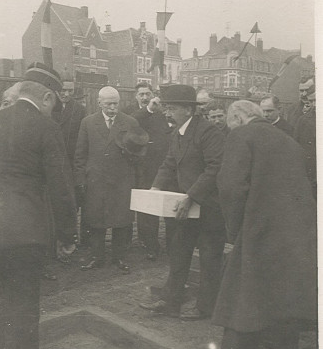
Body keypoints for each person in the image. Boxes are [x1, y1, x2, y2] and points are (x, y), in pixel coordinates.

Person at [186, 100, 317, 349]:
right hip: (299, 236)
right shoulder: (288, 140)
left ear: (238, 118)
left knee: (240, 309)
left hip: (259, 235)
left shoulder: (241, 136)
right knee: (283, 307)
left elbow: (231, 187)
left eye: (229, 122)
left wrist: (235, 234)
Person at [0, 62, 78, 349]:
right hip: (25, 234)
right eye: (55, 101)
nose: (55, 107)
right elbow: (61, 187)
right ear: (45, 95)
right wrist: (68, 235)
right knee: (23, 310)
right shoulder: (45, 126)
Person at [139, 85, 226, 320]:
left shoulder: (208, 132)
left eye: (172, 108)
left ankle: (205, 307)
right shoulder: (178, 133)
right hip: (187, 207)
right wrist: (155, 187)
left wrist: (192, 196)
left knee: (209, 258)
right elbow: (168, 163)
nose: (166, 113)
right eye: (166, 108)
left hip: (209, 207)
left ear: (188, 109)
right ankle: (170, 302)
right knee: (179, 253)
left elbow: (214, 168)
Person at [74, 86, 148, 274]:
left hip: (122, 180)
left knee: (121, 220)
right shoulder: (88, 123)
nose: (113, 108)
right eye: (108, 104)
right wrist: (81, 179)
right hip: (96, 180)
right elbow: (80, 154)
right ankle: (96, 257)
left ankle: (119, 257)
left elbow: (139, 154)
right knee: (95, 220)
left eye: (115, 103)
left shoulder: (130, 122)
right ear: (99, 103)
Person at [129, 82, 173, 260]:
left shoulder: (160, 114)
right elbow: (131, 123)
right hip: (140, 167)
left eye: (148, 93)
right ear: (136, 96)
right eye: (141, 94)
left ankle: (161, 244)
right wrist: (148, 109)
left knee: (160, 204)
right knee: (145, 207)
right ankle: (147, 242)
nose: (145, 97)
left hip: (158, 164)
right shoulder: (133, 112)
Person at [53, 79, 86, 168]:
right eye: (63, 90)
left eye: (70, 90)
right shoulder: (48, 106)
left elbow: (82, 140)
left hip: (70, 160)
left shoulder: (80, 110)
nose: (67, 94)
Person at [294, 91, 316, 199]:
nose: (315, 104)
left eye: (317, 100)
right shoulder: (303, 120)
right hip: (311, 169)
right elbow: (296, 145)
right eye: (312, 101)